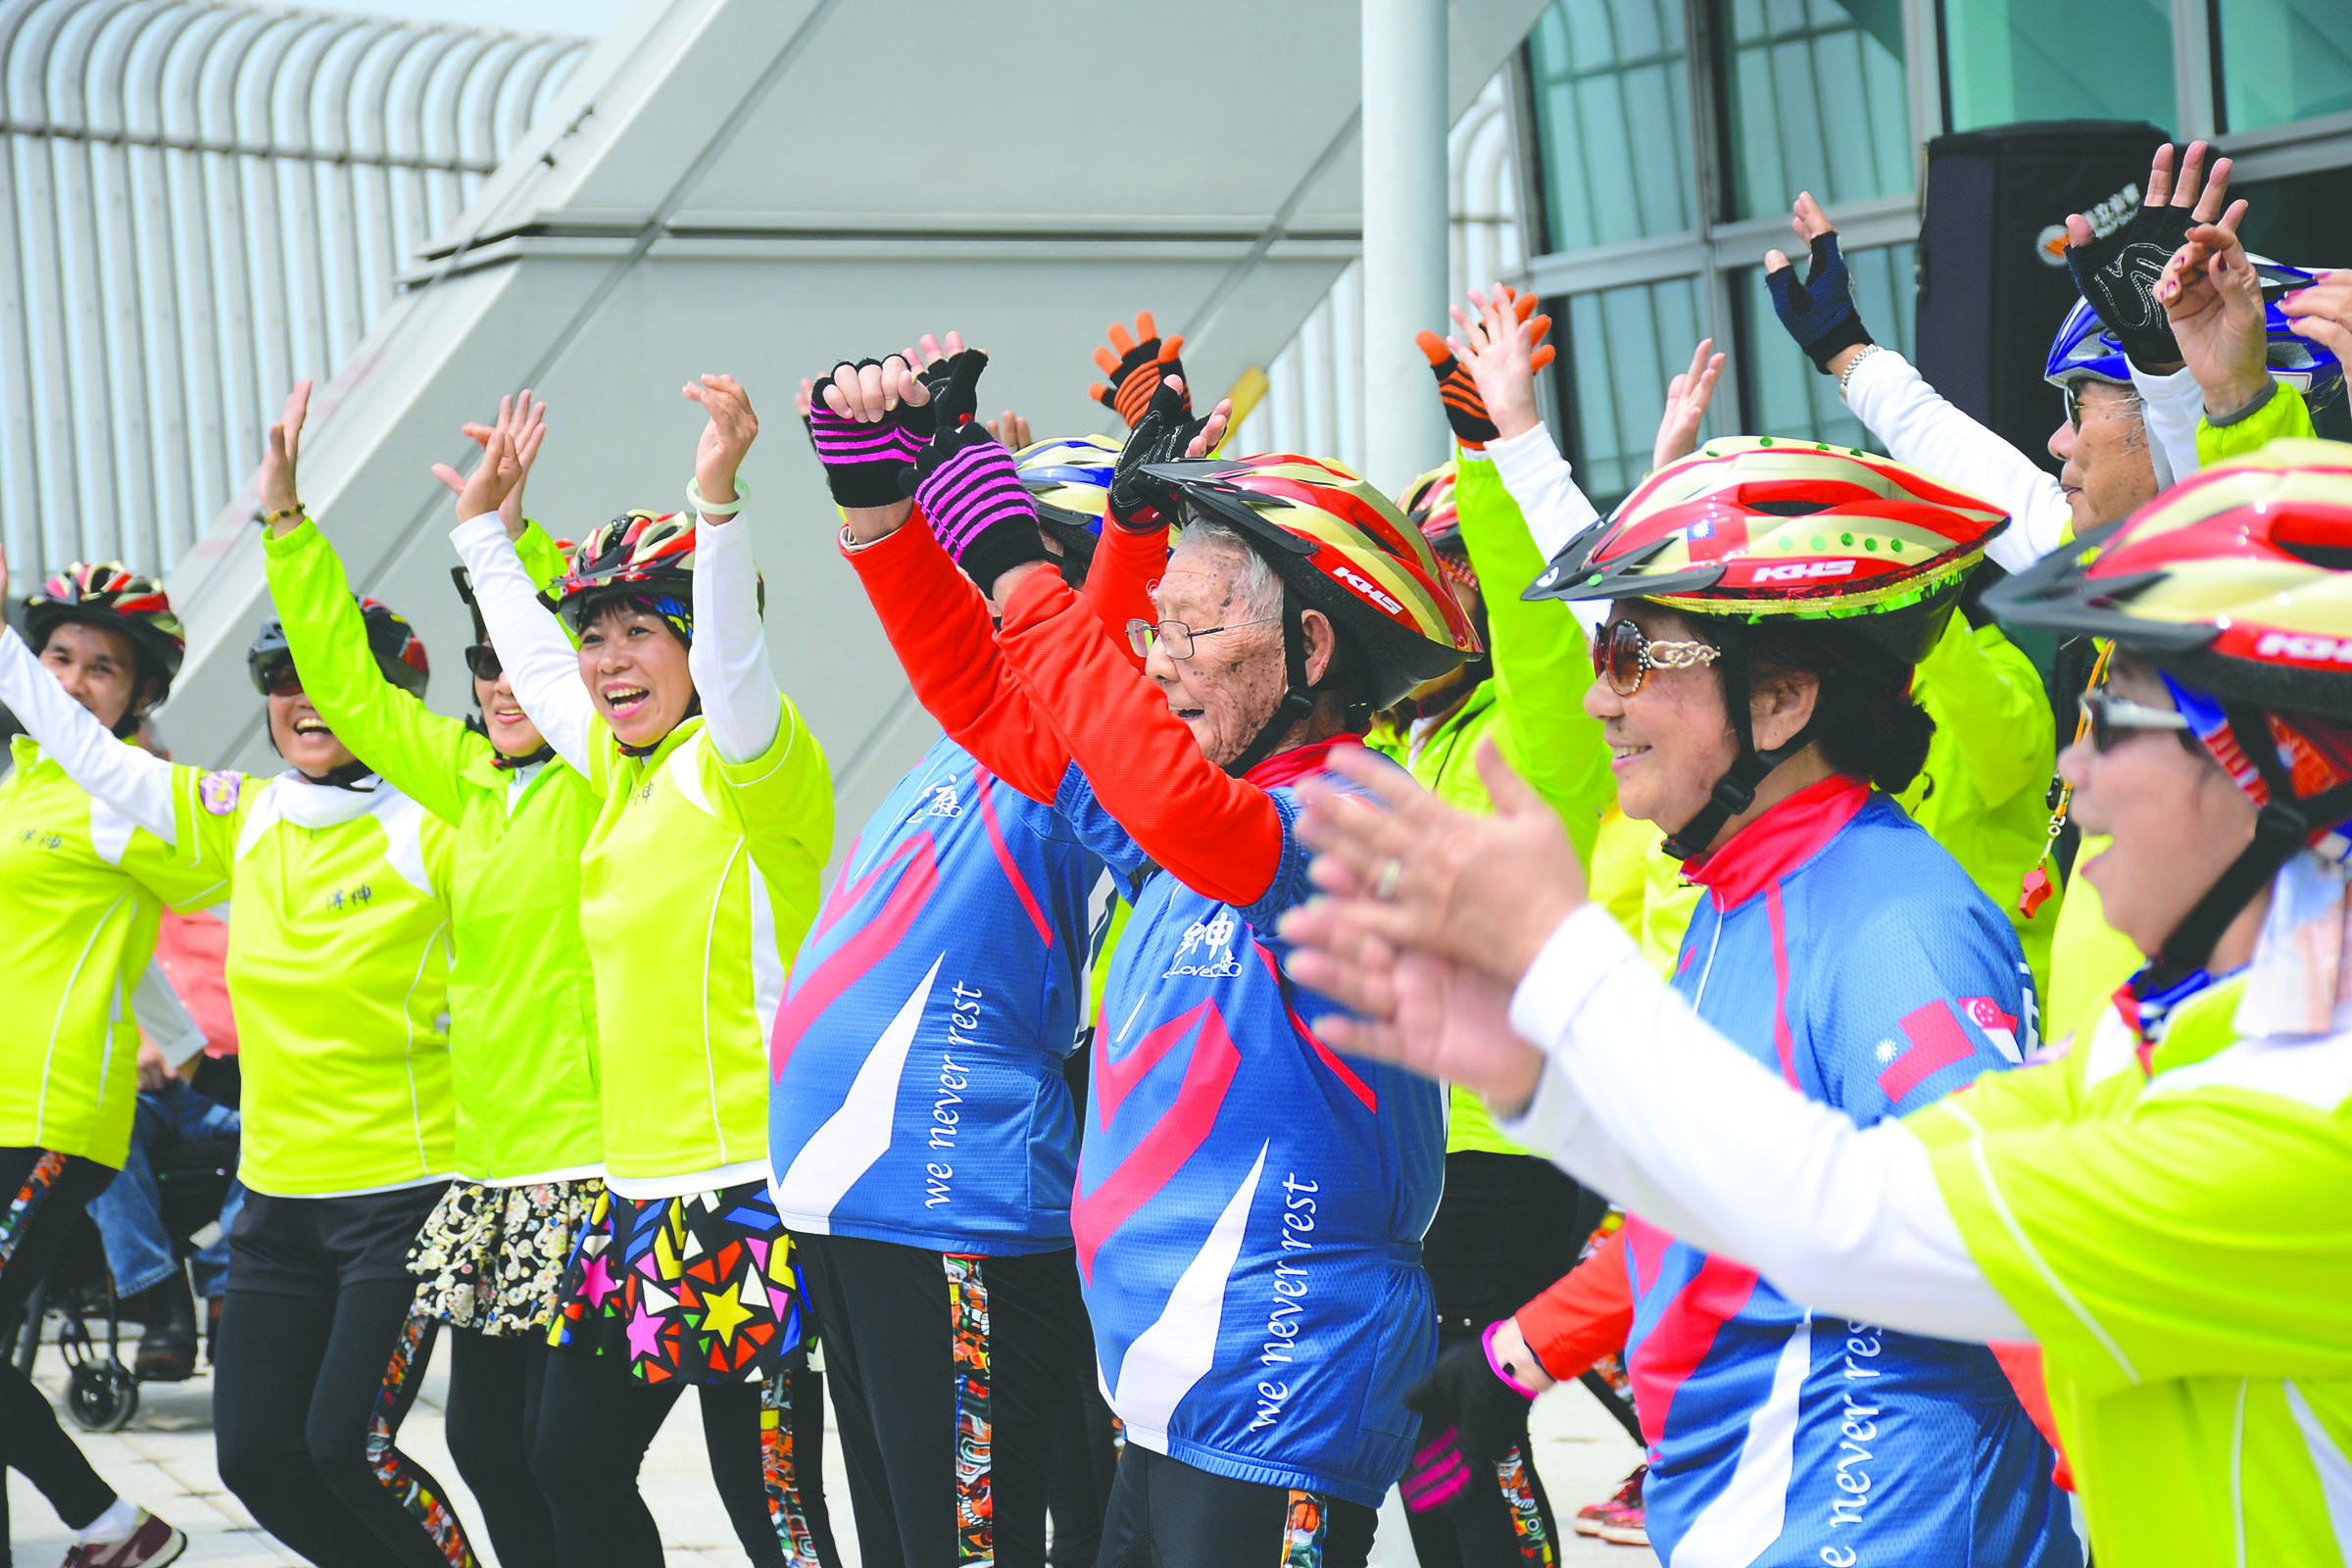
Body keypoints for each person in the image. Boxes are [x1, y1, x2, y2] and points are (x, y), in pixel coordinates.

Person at [1280, 429, 2352, 1568]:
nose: (2072, 773)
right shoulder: (2174, 1040)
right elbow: (1751, 1190)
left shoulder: (2302, 1112)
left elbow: (1865, 1217)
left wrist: (1562, 974)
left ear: (2276, 766)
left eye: (2115, 721)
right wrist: (1540, 1070)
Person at [831, 343, 1476, 1566]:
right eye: (1154, 627)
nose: (1159, 657)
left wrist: (1020, 560)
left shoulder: (1349, 807)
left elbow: (1190, 814)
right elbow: (997, 712)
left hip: (1281, 1395)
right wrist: (882, 514)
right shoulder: (1207, 823)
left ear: (1315, 654)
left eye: (1185, 627)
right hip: (1169, 1399)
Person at [0, 481, 480, 1567]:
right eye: (286, 681)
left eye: (335, 680)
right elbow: (100, 763)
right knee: (259, 1459)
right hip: (275, 1196)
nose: (308, 699)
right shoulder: (247, 815)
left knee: (348, 1447)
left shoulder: (448, 822)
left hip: (402, 1192)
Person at [449, 374, 840, 1568]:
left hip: (748, 1202)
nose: (610, 662)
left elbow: (731, 660)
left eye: (642, 632)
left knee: (769, 1507)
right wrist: (481, 532)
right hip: (637, 1206)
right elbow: (535, 650)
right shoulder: (615, 772)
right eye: (598, 635)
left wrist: (715, 503)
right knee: (563, 1459)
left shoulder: (748, 766)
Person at [773, 351, 1146, 1568]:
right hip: (849, 1194)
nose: (995, 565)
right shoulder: (973, 722)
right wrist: (894, 484)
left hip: (954, 1192)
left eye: (1029, 544)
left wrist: (1113, 515)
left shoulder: (1091, 739)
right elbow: (937, 607)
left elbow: (1090, 640)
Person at [246, 385, 601, 1568]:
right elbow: (348, 688)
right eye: (481, 664)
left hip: (602, 1173)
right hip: (492, 1182)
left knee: (571, 1461)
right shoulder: (464, 783)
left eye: (523, 663)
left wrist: (509, 540)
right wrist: (288, 528)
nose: (501, 681)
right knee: (497, 1453)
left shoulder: (614, 782)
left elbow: (586, 650)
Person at [1372, 301, 1630, 1567]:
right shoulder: (1397, 738)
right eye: (1428, 574)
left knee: (1456, 1427)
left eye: (1463, 569)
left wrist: (1488, 463)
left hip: (1511, 1143)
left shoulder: (1539, 730)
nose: (1443, 598)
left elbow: (1538, 631)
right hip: (1415, 1140)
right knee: (1433, 1425)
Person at [0, 560, 196, 1567]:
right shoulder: (23, 782)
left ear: (141, 696)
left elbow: (227, 862)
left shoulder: (130, 797)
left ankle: (115, 1525)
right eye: (58, 657)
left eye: (103, 669)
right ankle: (113, 1526)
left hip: (51, 1113)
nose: (73, 680)